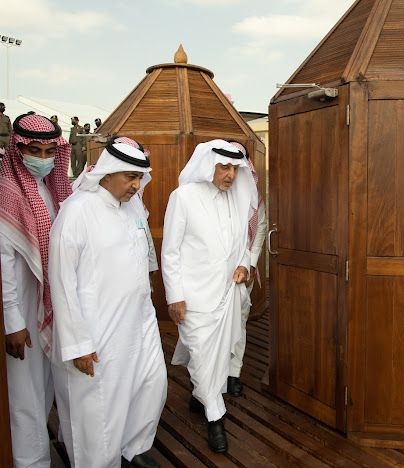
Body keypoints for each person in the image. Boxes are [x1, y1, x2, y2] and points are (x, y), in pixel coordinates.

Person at [49, 140, 167, 468]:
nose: (136, 185)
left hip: (139, 323)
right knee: (100, 410)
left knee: (151, 385)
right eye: (130, 177)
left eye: (140, 177)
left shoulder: (132, 207)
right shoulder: (77, 211)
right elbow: (62, 282)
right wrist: (78, 344)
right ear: (108, 173)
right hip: (97, 331)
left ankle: (131, 449)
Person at [161, 139, 257, 453]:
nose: (231, 175)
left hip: (227, 293)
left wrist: (244, 264)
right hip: (194, 297)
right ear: (208, 165)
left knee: (218, 354)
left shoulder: (235, 199)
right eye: (224, 167)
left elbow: (243, 243)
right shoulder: (183, 197)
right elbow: (171, 251)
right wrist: (175, 296)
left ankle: (199, 396)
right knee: (202, 353)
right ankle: (216, 418)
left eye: (235, 168)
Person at [0, 113, 72, 467]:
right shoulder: (6, 192)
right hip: (21, 310)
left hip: (47, 304)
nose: (43, 159)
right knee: (24, 393)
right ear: (18, 149)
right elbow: (3, 265)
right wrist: (12, 322)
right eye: (35, 151)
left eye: (49, 152)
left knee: (42, 388)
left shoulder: (50, 188)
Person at [226, 141, 267, 397]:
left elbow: (260, 228)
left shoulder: (253, 198)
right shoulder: (210, 193)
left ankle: (233, 373)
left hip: (242, 274)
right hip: (212, 276)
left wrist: (250, 264)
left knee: (239, 322)